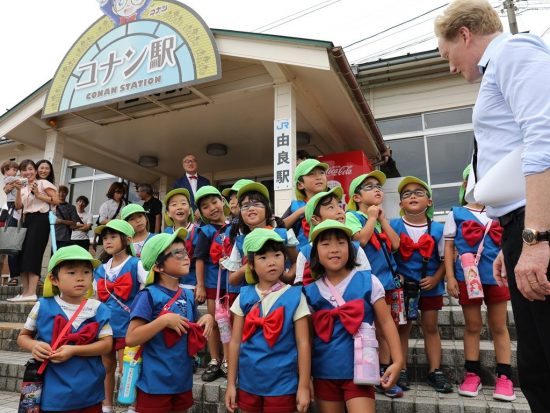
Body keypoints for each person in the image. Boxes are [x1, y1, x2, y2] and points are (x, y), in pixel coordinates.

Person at [435, 1, 550, 410]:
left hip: (537, 224)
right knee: (537, 362)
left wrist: (536, 236)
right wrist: (511, 243)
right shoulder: (497, 70)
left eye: (447, 54)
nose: (450, 66)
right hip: (519, 226)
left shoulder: (515, 52)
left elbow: (544, 138)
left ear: (465, 33)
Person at [303, 220, 403, 413]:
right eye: (325, 244)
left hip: (361, 371)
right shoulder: (309, 292)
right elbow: (306, 338)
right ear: (315, 252)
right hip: (324, 371)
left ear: (350, 248)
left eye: (341, 242)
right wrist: (306, 376)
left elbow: (386, 322)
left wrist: (398, 361)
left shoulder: (369, 281)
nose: (334, 249)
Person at [444, 166, 514, 401]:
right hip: (467, 277)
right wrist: (451, 277)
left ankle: (505, 377)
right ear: (465, 185)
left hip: (497, 275)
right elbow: (449, 247)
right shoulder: (455, 213)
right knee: (472, 325)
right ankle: (472, 373)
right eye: (472, 180)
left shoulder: (501, 210)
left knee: (499, 326)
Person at [17, 245, 113, 413]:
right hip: (53, 393)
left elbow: (106, 345)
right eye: (71, 273)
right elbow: (23, 336)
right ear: (54, 279)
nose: (80, 278)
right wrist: (34, 346)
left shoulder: (98, 308)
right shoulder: (42, 306)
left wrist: (74, 350)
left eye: (86, 272)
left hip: (89, 391)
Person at [126, 229, 213, 413]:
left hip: (182, 380)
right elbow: (131, 338)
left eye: (185, 251)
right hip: (154, 384)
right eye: (177, 253)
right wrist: (163, 321)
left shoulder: (188, 295)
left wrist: (206, 318)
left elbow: (192, 323)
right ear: (158, 267)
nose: (186, 257)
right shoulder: (148, 295)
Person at [225, 228, 311, 413]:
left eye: (277, 255)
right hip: (248, 381)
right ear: (252, 265)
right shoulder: (244, 296)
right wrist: (231, 384)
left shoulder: (295, 296)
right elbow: (235, 342)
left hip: (283, 383)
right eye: (263, 257)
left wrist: (304, 386)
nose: (271, 262)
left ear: (285, 259)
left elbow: (303, 343)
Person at [389, 176, 452, 393]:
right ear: (400, 204)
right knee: (402, 328)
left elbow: (446, 259)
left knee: (431, 327)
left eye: (418, 192)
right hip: (403, 289)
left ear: (430, 202)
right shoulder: (393, 225)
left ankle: (435, 371)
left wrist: (436, 278)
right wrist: (398, 276)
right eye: (406, 194)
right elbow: (387, 256)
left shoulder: (439, 229)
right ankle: (401, 369)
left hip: (430, 287)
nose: (412, 196)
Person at [345, 171, 403, 397]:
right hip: (366, 284)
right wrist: (370, 218)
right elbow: (360, 240)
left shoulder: (380, 219)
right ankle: (371, 371)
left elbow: (396, 245)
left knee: (386, 328)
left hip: (387, 283)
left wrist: (382, 219)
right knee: (369, 329)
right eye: (369, 187)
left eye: (378, 186)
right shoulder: (352, 216)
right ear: (357, 197)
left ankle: (386, 372)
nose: (377, 189)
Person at [93, 220, 148, 413]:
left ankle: (133, 405)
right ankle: (107, 405)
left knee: (129, 367)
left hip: (130, 326)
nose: (107, 241)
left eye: (113, 237)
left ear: (127, 239)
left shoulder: (136, 263)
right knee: (106, 366)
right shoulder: (100, 269)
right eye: (105, 237)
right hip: (106, 327)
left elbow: (147, 290)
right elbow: (96, 298)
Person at [224, 181, 299, 291]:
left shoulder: (283, 234)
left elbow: (297, 261)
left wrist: (287, 276)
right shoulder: (240, 241)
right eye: (245, 206)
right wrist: (248, 267)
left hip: (282, 293)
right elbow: (232, 280)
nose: (251, 208)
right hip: (254, 298)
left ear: (267, 210)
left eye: (257, 204)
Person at [294, 186, 371, 286]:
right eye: (331, 207)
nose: (340, 211)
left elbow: (366, 283)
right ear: (316, 219)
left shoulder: (355, 249)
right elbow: (300, 286)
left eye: (339, 206)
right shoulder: (305, 253)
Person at [192, 186, 229, 382]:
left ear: (222, 201)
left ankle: (228, 361)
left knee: (229, 320)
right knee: (214, 322)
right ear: (201, 212)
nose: (212, 208)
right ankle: (215, 359)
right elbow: (199, 259)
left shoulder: (236, 226)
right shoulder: (204, 231)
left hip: (232, 284)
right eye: (205, 207)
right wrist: (200, 285)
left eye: (214, 202)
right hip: (213, 284)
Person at [11, 159, 59, 302]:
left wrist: (39, 195)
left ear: (35, 170)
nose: (28, 172)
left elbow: (56, 200)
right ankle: (25, 293)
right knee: (23, 256)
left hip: (40, 220)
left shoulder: (43, 183)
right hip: (27, 220)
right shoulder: (24, 187)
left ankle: (31, 292)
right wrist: (18, 190)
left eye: (30, 169)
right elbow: (19, 206)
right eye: (24, 170)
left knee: (33, 255)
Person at [282, 158, 329, 248]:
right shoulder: (296, 206)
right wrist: (301, 211)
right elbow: (280, 228)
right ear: (300, 185)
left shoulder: (333, 203)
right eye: (311, 174)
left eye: (322, 173)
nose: (319, 177)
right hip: (303, 257)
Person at [163, 189, 198, 291]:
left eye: (183, 203)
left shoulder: (198, 232)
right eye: (174, 205)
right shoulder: (166, 233)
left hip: (190, 284)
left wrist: (200, 284)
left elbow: (201, 262)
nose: (179, 207)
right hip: (168, 283)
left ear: (190, 209)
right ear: (168, 213)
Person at [94, 182, 127, 258]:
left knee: (118, 257)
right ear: (112, 192)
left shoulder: (125, 204)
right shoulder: (106, 204)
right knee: (100, 258)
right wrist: (117, 222)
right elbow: (101, 220)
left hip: (119, 233)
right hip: (106, 233)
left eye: (121, 192)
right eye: (117, 192)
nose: (120, 195)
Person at [2, 160, 21, 286]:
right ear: (5, 171)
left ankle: (16, 275)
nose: (14, 172)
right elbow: (6, 189)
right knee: (12, 243)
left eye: (16, 169)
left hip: (19, 207)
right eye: (12, 169)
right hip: (11, 208)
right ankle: (14, 275)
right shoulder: (6, 180)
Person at [55, 185, 81, 250]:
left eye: (63, 192)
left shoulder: (71, 207)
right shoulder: (51, 205)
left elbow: (74, 223)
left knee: (62, 257)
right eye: (59, 192)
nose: (61, 194)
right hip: (51, 236)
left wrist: (61, 221)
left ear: (66, 194)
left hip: (64, 237)